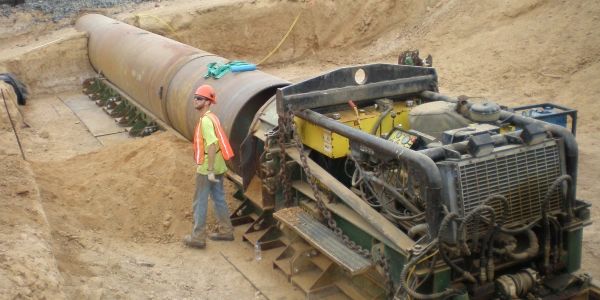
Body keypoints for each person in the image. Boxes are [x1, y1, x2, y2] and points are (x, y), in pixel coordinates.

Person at [183, 84, 235, 249]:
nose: (195, 100)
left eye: (199, 98)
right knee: (219, 197)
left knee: (200, 201)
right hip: (219, 165)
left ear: (207, 102)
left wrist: (210, 170)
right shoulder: (213, 117)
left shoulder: (205, 121)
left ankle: (198, 236)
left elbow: (212, 144)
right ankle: (226, 230)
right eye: (195, 97)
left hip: (208, 168)